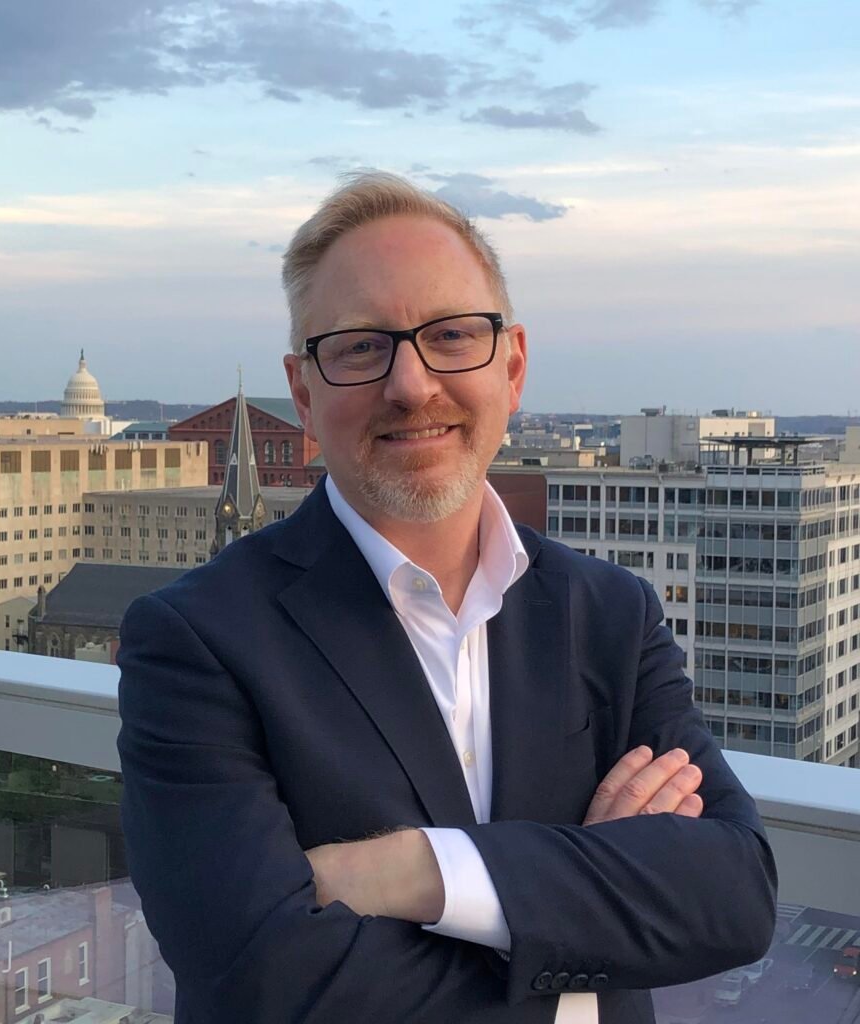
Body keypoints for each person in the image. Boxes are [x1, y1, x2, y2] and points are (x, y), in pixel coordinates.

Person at [116, 172, 777, 1024]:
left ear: (513, 365)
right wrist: (583, 920)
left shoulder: (611, 614)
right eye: (360, 346)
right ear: (305, 392)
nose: (412, 384)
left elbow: (733, 895)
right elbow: (262, 977)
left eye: (452, 335)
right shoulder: (197, 640)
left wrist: (412, 872)